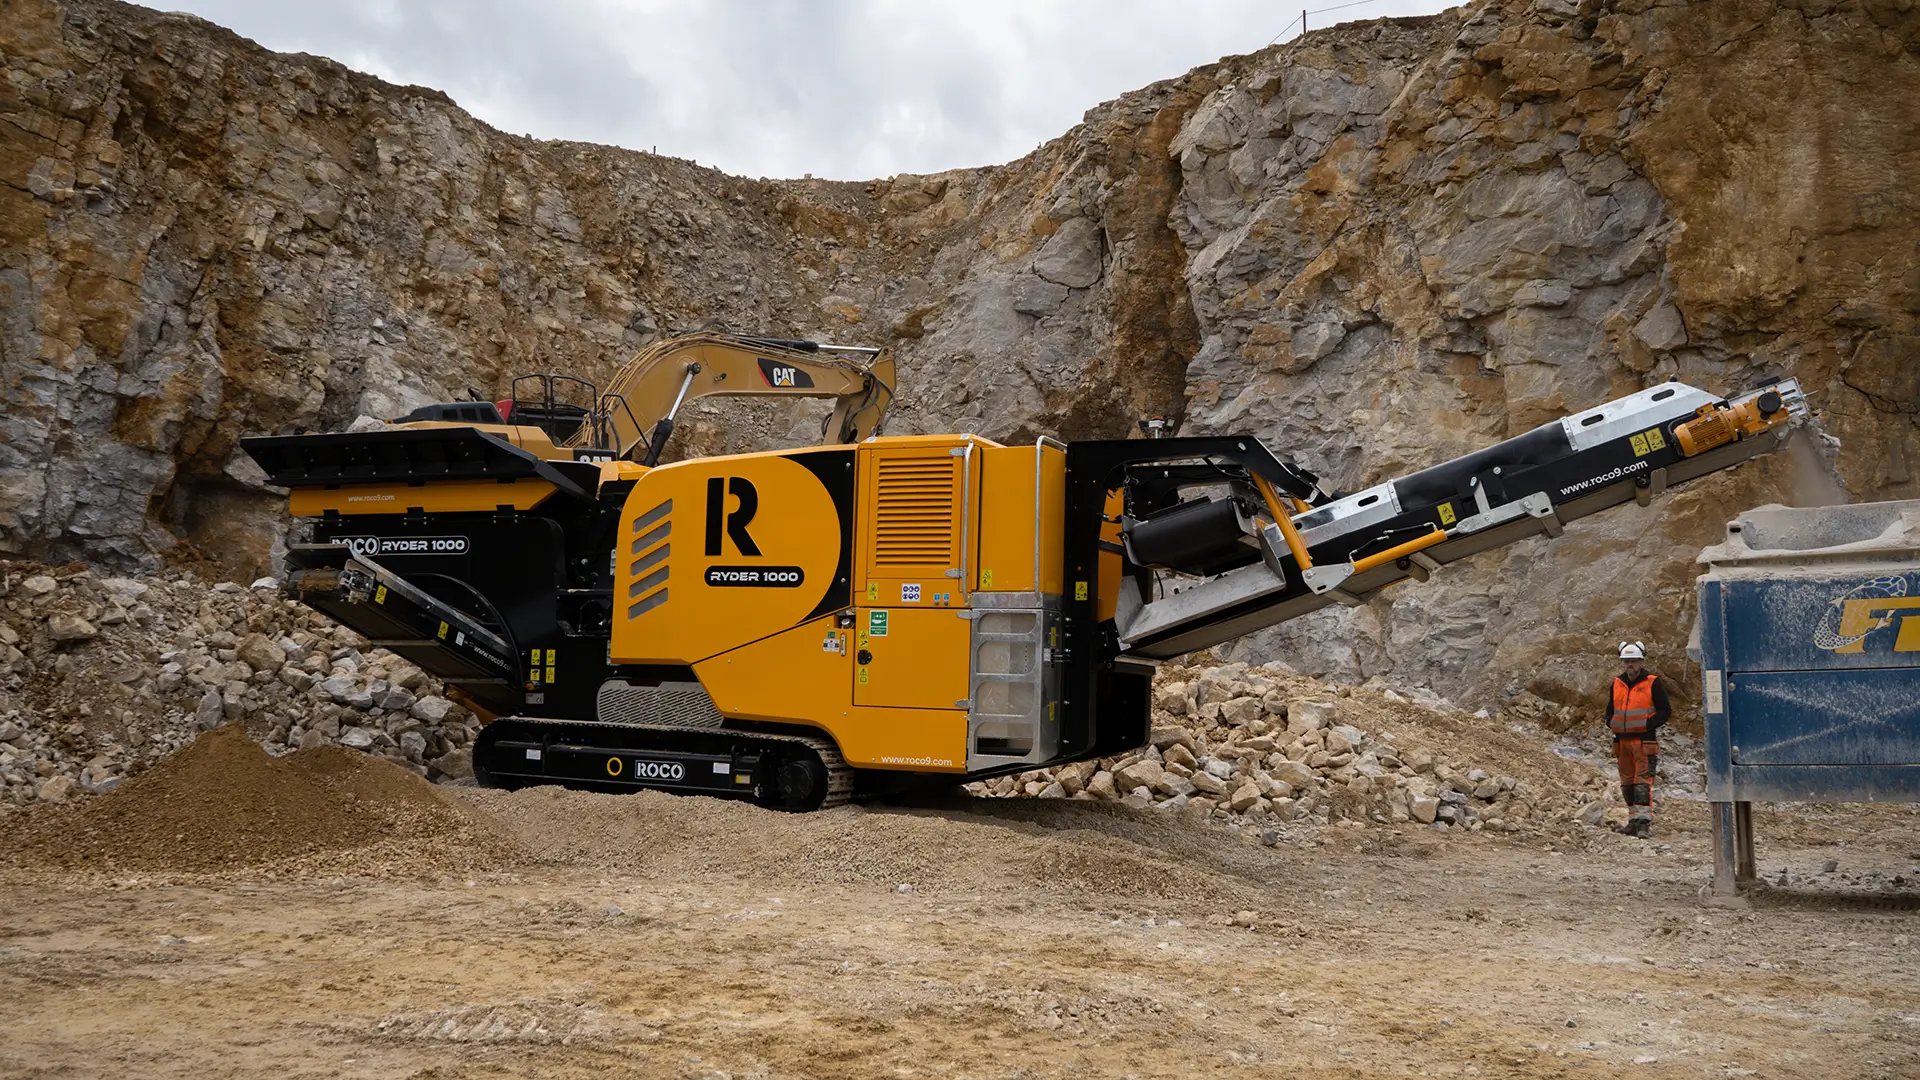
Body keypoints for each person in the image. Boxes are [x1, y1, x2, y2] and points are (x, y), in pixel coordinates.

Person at [1604, 641, 1669, 838]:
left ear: (1641, 662)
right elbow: (1609, 711)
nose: (1630, 665)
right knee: (1627, 784)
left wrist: (1647, 725)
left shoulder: (1652, 682)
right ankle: (1632, 821)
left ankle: (1643, 823)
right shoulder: (1617, 684)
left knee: (1642, 783)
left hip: (1644, 742)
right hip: (1622, 743)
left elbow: (1665, 710)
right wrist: (1612, 724)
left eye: (1633, 661)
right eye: (1627, 661)